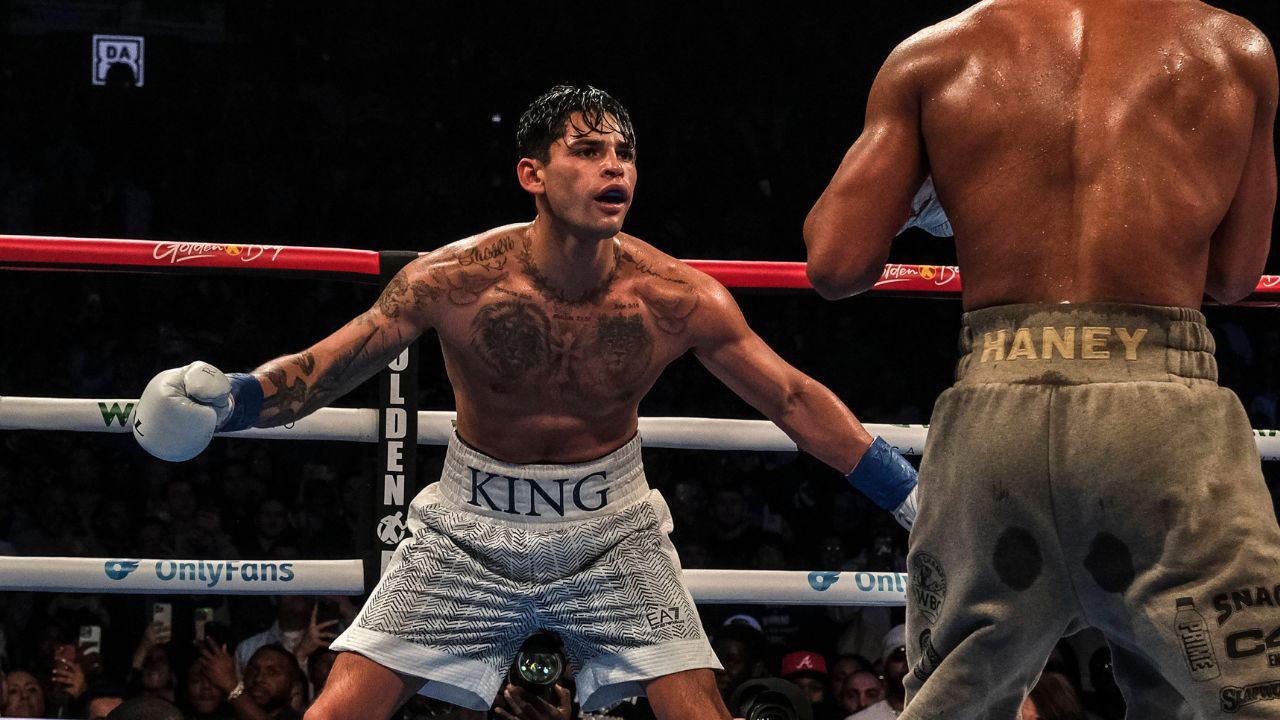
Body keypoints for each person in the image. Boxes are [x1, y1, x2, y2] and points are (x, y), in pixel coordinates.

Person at [131, 84, 920, 720]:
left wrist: (909, 495)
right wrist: (229, 402)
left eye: (625, 153)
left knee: (699, 711)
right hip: (468, 530)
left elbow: (789, 395)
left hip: (614, 532)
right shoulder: (452, 281)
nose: (616, 168)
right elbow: (325, 370)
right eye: (588, 150)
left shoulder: (676, 296)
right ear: (532, 174)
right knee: (340, 709)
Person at [803, 2, 1277, 718]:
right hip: (1161, 410)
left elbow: (836, 261)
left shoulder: (932, 57)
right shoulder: (1233, 48)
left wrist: (932, 187)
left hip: (997, 405)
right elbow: (1237, 276)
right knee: (1245, 700)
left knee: (950, 704)